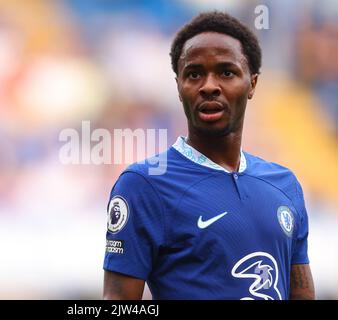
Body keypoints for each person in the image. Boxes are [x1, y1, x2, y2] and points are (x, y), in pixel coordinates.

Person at [103, 11, 315, 300]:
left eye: (226, 72)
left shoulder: (285, 185)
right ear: (179, 86)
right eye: (194, 74)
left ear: (252, 84)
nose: (209, 86)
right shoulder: (144, 184)